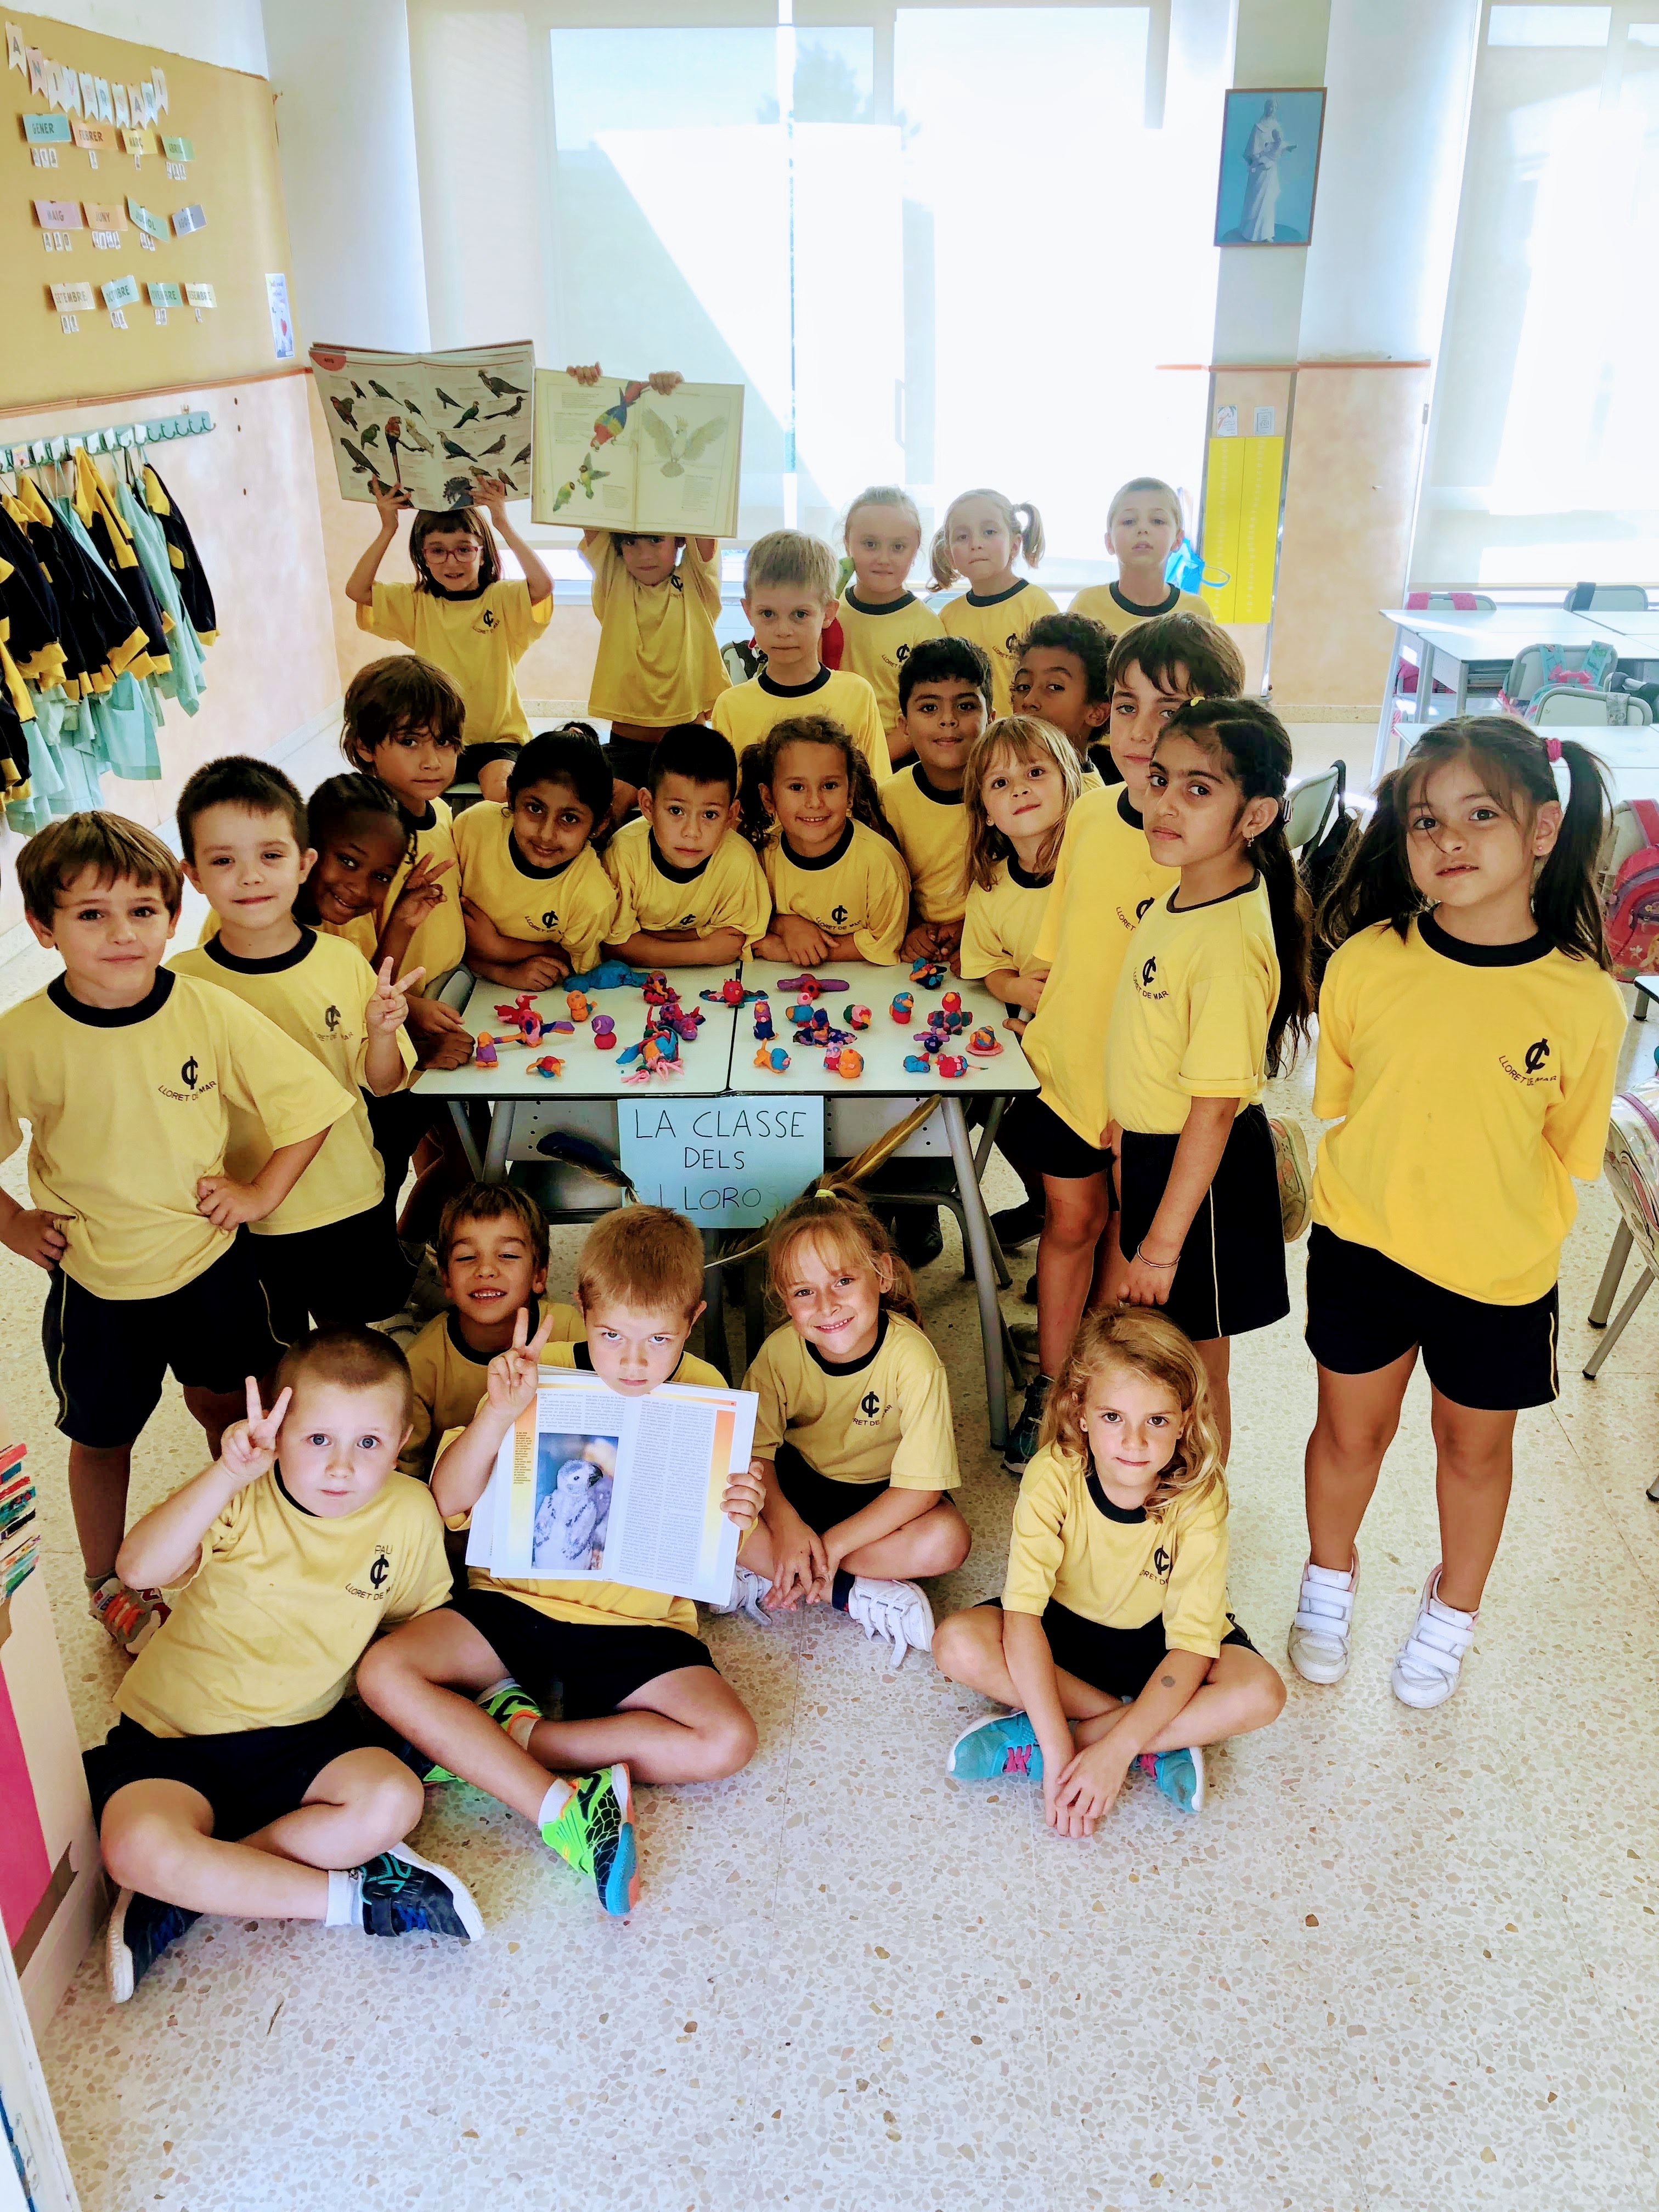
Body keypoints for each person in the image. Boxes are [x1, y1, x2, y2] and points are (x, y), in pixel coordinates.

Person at [1288, 715, 1626, 1708]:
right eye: (1425, 820)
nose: (1447, 840)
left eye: (1480, 814)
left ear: (1541, 829)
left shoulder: (1583, 1001)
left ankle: (1452, 1611)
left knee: (1472, 1450)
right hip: (1362, 1247)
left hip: (1496, 1272)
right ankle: (1327, 1578)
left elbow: (1564, 1147)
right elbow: (1348, 1099)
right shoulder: (1365, 961)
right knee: (1347, 1434)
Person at [0, 814, 354, 1651]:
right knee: (101, 1439)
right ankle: (107, 1582)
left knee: (230, 1407)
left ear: (171, 915)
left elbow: (311, 1107)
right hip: (95, 1283)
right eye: (91, 915)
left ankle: (247, 1540)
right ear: (43, 927)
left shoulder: (206, 1010)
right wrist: (13, 1223)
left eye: (143, 911)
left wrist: (259, 1193)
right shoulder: (21, 1038)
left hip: (210, 1267)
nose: (122, 933)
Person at [357, 1207, 764, 1917]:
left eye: (658, 1339)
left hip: (641, 1627)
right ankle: (557, 1805)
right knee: (382, 1672)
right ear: (584, 1308)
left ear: (693, 1319)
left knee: (729, 1740)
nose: (633, 1362)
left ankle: (523, 1738)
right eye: (611, 1337)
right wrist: (495, 1413)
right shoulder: (534, 1373)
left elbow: (733, 1545)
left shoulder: (706, 1390)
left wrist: (743, 1511)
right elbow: (444, 1499)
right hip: (514, 1603)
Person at [85, 1326, 482, 2003]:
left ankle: (189, 1893)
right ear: (277, 1429)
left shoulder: (410, 1513)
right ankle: (353, 1900)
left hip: (302, 1738)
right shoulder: (242, 1492)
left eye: (369, 1443)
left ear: (404, 1439)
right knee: (135, 1850)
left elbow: (416, 1631)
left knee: (394, 1800)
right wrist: (226, 1473)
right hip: (172, 1737)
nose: (341, 1468)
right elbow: (137, 1569)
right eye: (318, 1439)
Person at [1003, 616, 1246, 1473]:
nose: (1141, 731)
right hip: (1066, 1074)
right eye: (1128, 705)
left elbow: (1199, 1008)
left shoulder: (1204, 847)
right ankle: (1055, 1384)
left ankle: (1104, 1396)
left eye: (1169, 709)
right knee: (1067, 1228)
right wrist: (1033, 1028)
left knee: (1124, 1249)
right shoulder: (1093, 811)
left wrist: (1132, 1108)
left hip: (1144, 1099)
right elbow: (1062, 948)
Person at [933, 1308, 1284, 1827]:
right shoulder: (1052, 1474)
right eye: (1113, 1417)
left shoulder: (1200, 1495)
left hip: (1160, 1645)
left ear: (1184, 1420)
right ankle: (1157, 1741)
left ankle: (1071, 1735)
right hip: (1062, 1633)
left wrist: (1109, 1751)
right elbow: (1024, 1616)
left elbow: (1191, 1646)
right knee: (957, 1643)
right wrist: (1060, 1757)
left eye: (1157, 1421)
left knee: (1262, 1693)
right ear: (1080, 1412)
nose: (1134, 1442)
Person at [1103, 697, 1314, 1460]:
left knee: (1195, 1365)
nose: (1165, 803)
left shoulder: (1228, 943)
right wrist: (1125, 1117)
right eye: (1161, 779)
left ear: (1254, 816)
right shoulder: (1188, 889)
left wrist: (1162, 1247)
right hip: (1159, 1154)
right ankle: (1177, 1485)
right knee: (1169, 1350)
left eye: (1199, 789)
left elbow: (1216, 1109)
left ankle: (1202, 1500)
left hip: (1204, 1178)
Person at [171, 755, 419, 1336]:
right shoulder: (181, 982)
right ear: (194, 875)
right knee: (267, 1355)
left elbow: (384, 1082)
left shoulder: (342, 961)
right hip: (239, 1216)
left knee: (347, 1349)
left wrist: (384, 1031)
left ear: (304, 863)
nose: (250, 877)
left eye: (271, 855)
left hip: (347, 1197)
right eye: (223, 860)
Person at [716, 1187, 970, 1666]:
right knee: (705, 1498)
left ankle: (785, 1571)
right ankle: (849, 1590)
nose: (826, 1305)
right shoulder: (779, 1353)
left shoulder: (914, 1359)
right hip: (797, 1486)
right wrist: (787, 1525)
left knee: (949, 1541)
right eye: (804, 1292)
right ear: (785, 1300)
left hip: (881, 1499)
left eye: (844, 1281)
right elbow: (755, 1454)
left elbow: (921, 1491)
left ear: (883, 1274)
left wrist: (831, 1546)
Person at [563, 363, 728, 820]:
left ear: (679, 540)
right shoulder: (614, 577)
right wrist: (590, 399)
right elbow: (590, 493)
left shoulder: (696, 579)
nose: (642, 554)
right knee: (609, 820)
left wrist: (674, 400)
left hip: (687, 743)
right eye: (631, 543)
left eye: (655, 540)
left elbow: (703, 497)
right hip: (625, 743)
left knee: (682, 826)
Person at [958, 714, 1087, 1251]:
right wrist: (1014, 989)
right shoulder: (991, 887)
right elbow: (988, 964)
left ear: (1069, 781)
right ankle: (1045, 1205)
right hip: (1037, 1043)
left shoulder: (1094, 867)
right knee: (994, 1106)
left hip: (1097, 1052)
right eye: (1001, 782)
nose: (1020, 789)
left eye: (1035, 772)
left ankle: (1074, 1230)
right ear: (986, 812)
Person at [346, 478, 552, 802]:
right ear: (423, 556)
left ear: (482, 554)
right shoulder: (418, 601)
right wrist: (388, 528)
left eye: (464, 549)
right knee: (406, 796)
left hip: (497, 739)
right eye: (438, 551)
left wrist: (501, 521)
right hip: (436, 739)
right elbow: (358, 590)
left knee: (501, 794)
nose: (451, 562)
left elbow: (542, 586)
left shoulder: (502, 598)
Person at [398, 1182, 582, 1482]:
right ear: (446, 1279)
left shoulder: (570, 1329)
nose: (485, 1270)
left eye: (507, 1255)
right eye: (466, 1257)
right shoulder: (420, 1364)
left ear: (539, 1275)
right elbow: (407, 1472)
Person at [712, 532, 891, 782]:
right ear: (748, 612)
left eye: (800, 614)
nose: (783, 631)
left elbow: (877, 790)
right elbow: (727, 799)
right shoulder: (731, 707)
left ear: (828, 613)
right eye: (768, 614)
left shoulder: (857, 695)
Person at [338, 655, 467, 993]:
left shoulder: (441, 812)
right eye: (409, 742)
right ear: (365, 747)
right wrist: (410, 1009)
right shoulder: (356, 846)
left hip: (453, 988)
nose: (432, 762)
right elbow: (351, 980)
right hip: (392, 1008)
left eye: (444, 742)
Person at [737, 717, 910, 967]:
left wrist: (792, 952)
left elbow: (885, 941)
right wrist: (786, 925)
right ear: (769, 798)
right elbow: (746, 919)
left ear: (850, 793)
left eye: (829, 785)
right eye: (797, 787)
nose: (815, 802)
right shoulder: (762, 858)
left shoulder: (880, 863)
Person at [453, 727, 618, 988]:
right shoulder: (474, 828)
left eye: (569, 818)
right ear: (510, 796)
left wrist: (499, 949)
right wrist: (493, 964)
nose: (546, 835)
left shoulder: (592, 898)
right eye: (535, 808)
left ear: (600, 823)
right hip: (449, 976)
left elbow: (576, 961)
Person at [602, 724, 770, 968]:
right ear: (648, 806)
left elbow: (733, 940)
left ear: (731, 815)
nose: (692, 832)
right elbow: (613, 945)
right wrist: (702, 950)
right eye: (676, 811)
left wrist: (646, 936)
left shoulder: (738, 861)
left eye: (710, 815)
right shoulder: (623, 855)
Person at [882, 636, 991, 969]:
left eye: (966, 706)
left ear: (992, 719)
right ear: (904, 726)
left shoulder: (1010, 795)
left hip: (994, 948)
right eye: (929, 708)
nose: (948, 720)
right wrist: (913, 927)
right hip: (911, 957)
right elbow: (884, 884)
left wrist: (974, 928)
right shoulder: (887, 800)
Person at [833, 486, 944, 764]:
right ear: (847, 544)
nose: (883, 559)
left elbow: (928, 712)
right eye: (870, 544)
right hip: (827, 757)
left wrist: (868, 764)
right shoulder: (827, 611)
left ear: (914, 551)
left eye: (898, 547)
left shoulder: (927, 627)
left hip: (892, 762)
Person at [930, 489, 1058, 716]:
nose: (975, 544)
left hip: (1026, 733)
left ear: (1015, 545)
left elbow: (1053, 685)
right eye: (962, 536)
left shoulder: (1037, 605)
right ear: (950, 555)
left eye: (989, 532)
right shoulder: (947, 616)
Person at [1069, 480, 1215, 642]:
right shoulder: (1086, 606)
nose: (1142, 529)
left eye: (1158, 521)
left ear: (1178, 539)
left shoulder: (1197, 612)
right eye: (1129, 521)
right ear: (1109, 542)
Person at [1009, 611, 1116, 783]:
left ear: (1097, 713)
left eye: (1054, 687)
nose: (1029, 700)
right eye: (1023, 687)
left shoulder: (1089, 797)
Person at [1240, 98, 1292, 244]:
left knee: (1268, 201)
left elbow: (1280, 146)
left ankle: (1266, 233)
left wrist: (1279, 152)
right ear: (1265, 107)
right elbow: (1251, 151)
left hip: (1271, 170)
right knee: (1256, 200)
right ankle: (1250, 233)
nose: (1272, 109)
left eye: (1274, 107)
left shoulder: (1277, 126)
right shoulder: (1258, 128)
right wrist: (1258, 160)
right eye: (1270, 106)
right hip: (1259, 171)